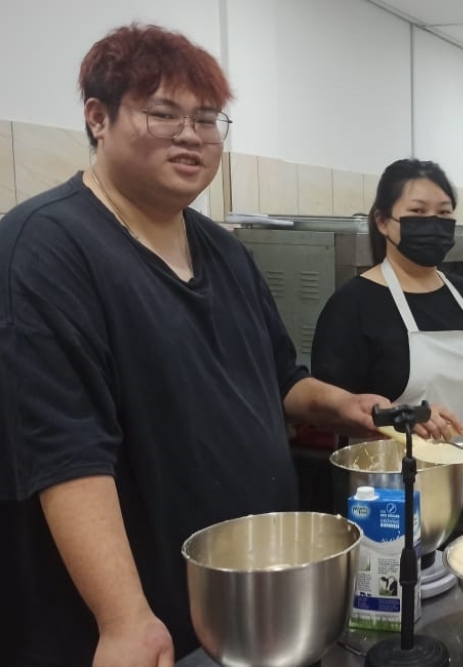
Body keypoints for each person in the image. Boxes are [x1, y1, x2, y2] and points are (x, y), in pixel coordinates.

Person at [0, 24, 391, 666]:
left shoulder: (224, 250)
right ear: (98, 118)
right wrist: (124, 618)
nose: (190, 135)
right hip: (142, 621)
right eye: (163, 113)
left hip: (250, 595)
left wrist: (342, 404)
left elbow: (279, 378)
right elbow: (65, 453)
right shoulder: (47, 248)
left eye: (207, 119)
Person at [311, 158, 463, 437]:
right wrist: (401, 421)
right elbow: (329, 414)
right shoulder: (353, 305)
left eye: (444, 213)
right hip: (393, 475)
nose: (433, 223)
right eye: (418, 211)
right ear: (382, 221)